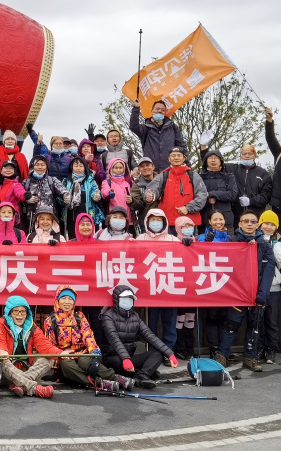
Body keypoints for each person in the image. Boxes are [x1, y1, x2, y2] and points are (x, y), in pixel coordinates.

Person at [215, 211, 278, 371]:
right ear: (239, 224)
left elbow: (269, 271)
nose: (249, 224)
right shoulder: (231, 241)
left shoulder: (265, 245)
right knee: (232, 325)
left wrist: (262, 294)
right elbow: (218, 259)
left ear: (257, 224)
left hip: (257, 294)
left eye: (253, 221)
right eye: (246, 221)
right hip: (237, 293)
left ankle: (250, 357)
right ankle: (222, 355)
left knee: (254, 326)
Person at [41, 286, 124, 393]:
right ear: (58, 300)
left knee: (85, 361)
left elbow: (88, 336)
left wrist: (96, 356)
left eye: (70, 299)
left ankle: (115, 378)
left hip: (81, 353)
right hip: (63, 357)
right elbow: (50, 346)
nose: (67, 302)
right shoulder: (50, 321)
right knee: (66, 366)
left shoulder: (79, 317)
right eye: (64, 298)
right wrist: (58, 360)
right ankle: (98, 383)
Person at [97, 285, 177, 389]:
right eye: (125, 298)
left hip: (130, 358)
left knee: (158, 353)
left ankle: (142, 375)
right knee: (117, 362)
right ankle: (141, 373)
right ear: (117, 299)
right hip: (113, 358)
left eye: (130, 298)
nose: (128, 301)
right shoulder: (108, 316)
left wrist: (170, 354)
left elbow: (150, 336)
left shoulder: (135, 316)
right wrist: (125, 359)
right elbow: (114, 339)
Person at [0, 295, 62, 398]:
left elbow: (44, 344)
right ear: (9, 313)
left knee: (49, 358)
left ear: (27, 313)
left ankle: (20, 383)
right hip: (8, 371)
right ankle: (34, 388)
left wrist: (60, 353)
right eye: (15, 311)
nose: (19, 315)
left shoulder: (31, 326)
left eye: (23, 311)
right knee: (2, 359)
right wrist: (2, 351)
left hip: (26, 368)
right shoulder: (0, 324)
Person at [137, 208, 179, 350]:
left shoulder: (173, 239)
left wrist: (188, 243)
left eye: (159, 220)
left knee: (170, 319)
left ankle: (169, 349)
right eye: (153, 220)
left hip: (168, 285)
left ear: (164, 222)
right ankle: (153, 350)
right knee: (151, 321)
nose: (155, 222)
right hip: (148, 286)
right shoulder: (140, 238)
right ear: (147, 222)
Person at [256, 210, 281, 365]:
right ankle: (259, 348)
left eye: (272, 224)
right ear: (260, 224)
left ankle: (271, 349)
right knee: (258, 320)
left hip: (273, 288)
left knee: (272, 320)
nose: (268, 227)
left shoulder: (277, 244)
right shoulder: (254, 240)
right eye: (266, 223)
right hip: (256, 287)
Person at [158, 147, 207, 233]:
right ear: (169, 159)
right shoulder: (162, 176)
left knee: (187, 242)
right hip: (167, 222)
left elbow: (202, 195)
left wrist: (188, 208)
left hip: (188, 222)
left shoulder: (193, 175)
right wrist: (150, 196)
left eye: (179, 155)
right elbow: (152, 190)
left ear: (184, 158)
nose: (176, 158)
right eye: (173, 156)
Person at [129, 99, 185, 170]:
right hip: (150, 170)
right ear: (152, 111)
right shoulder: (146, 128)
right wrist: (136, 108)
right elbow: (133, 126)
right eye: (157, 109)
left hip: (169, 169)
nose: (160, 111)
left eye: (162, 110)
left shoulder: (172, 127)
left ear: (165, 112)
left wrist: (186, 165)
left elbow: (181, 147)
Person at [226, 143, 272, 218]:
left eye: (250, 154)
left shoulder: (263, 174)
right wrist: (205, 149)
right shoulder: (232, 169)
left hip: (256, 215)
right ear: (240, 155)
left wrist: (251, 201)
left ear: (254, 156)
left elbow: (266, 196)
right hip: (235, 215)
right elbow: (215, 163)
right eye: (244, 154)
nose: (247, 156)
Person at [198, 149, 239, 232]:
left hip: (226, 221)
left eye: (216, 158)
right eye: (210, 158)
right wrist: (208, 201)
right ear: (206, 161)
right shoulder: (199, 177)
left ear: (221, 161)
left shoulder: (229, 176)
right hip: (205, 220)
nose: (213, 160)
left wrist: (211, 194)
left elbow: (232, 194)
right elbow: (196, 197)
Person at [63, 157, 103, 236]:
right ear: (71, 167)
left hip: (87, 214)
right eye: (76, 166)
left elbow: (95, 192)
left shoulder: (90, 181)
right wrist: (63, 200)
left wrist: (96, 196)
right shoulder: (66, 181)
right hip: (71, 216)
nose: (78, 168)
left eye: (81, 166)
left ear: (85, 168)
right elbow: (61, 197)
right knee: (73, 238)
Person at [21, 156, 65, 229]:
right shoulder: (26, 182)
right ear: (32, 167)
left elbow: (63, 191)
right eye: (37, 165)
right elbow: (20, 198)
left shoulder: (52, 180)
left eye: (43, 165)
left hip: (49, 218)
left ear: (47, 167)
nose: (40, 167)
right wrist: (27, 200)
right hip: (31, 219)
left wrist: (66, 195)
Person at [0, 160, 26, 231]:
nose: (8, 170)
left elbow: (20, 193)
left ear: (14, 171)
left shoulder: (16, 185)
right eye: (6, 168)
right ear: (1, 170)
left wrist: (25, 195)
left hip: (10, 218)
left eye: (11, 168)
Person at [129, 157, 162, 231]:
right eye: (142, 166)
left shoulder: (162, 181)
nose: (145, 168)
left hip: (164, 219)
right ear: (139, 169)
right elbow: (137, 206)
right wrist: (132, 201)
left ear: (153, 167)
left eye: (147, 165)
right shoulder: (137, 186)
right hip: (147, 221)